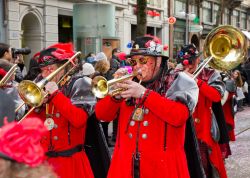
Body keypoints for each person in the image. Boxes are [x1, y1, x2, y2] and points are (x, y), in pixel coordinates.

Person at [95, 36, 199, 178]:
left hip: (163, 168)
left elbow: (179, 116)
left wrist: (144, 94)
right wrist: (115, 97)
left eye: (143, 60)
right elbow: (102, 115)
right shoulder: (128, 80)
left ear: (158, 60)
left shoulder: (177, 80)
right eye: (133, 61)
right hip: (124, 167)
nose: (137, 66)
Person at [26, 43, 96, 178]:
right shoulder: (40, 85)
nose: (45, 74)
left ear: (63, 68)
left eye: (50, 68)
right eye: (43, 70)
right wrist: (36, 106)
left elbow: (79, 120)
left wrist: (56, 95)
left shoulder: (81, 83)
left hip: (70, 163)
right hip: (43, 163)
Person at [176, 44, 228, 178]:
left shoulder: (210, 73)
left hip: (203, 130)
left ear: (198, 59)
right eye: (184, 62)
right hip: (181, 129)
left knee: (205, 167)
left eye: (191, 61)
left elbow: (216, 96)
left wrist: (197, 82)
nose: (188, 65)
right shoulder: (175, 74)